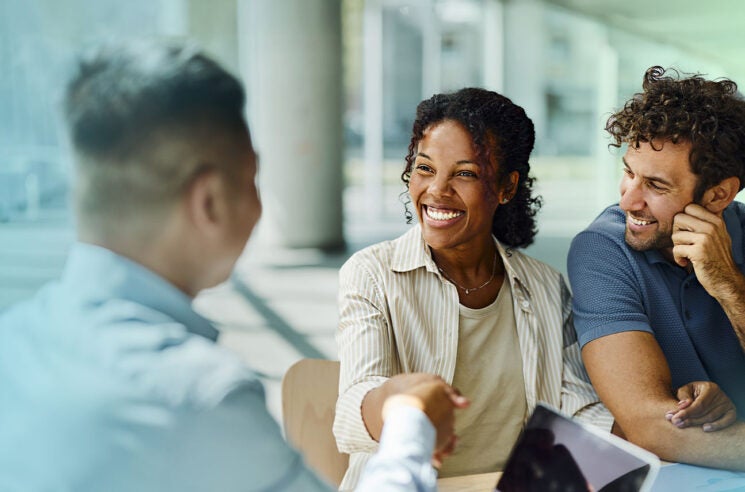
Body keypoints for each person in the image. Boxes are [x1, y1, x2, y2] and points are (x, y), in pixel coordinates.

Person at [0, 41, 469, 492]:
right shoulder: (199, 398)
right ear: (210, 202)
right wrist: (411, 421)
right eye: (252, 178)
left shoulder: (14, 339)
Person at [334, 87, 611, 490]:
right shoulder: (372, 274)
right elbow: (350, 410)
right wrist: (399, 399)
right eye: (425, 168)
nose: (436, 191)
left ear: (506, 187)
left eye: (464, 173)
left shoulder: (546, 287)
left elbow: (578, 411)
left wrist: (664, 426)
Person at [568, 66, 745, 470]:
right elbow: (650, 426)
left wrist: (729, 286)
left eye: (656, 186)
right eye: (629, 173)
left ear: (719, 194)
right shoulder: (602, 249)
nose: (629, 200)